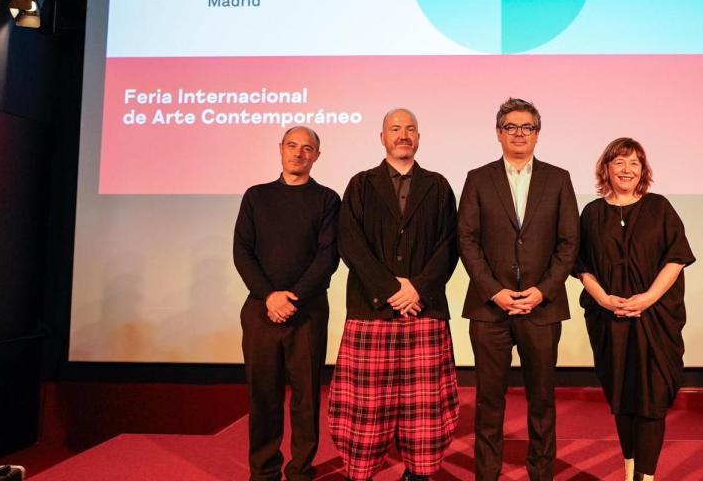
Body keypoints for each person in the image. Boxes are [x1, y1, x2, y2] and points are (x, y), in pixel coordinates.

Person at [328, 109, 460, 481]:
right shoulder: (361, 184)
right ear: (382, 136)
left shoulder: (437, 185)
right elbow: (350, 243)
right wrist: (391, 289)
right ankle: (362, 473)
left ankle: (418, 474)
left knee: (425, 408)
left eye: (411, 129)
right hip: (371, 312)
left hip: (425, 309)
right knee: (365, 408)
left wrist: (416, 288)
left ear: (419, 137)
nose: (404, 135)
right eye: (395, 128)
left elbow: (450, 246)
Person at [458, 98, 580, 480]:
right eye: (511, 127)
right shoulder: (478, 178)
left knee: (541, 400)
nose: (519, 134)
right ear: (498, 133)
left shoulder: (558, 178)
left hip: (541, 308)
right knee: (489, 401)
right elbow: (467, 239)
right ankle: (487, 474)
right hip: (489, 308)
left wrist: (542, 290)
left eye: (527, 127)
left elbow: (569, 243)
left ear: (537, 134)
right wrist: (494, 290)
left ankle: (541, 474)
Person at [574, 138, 695, 481]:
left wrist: (647, 298)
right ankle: (630, 471)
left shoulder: (660, 208)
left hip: (654, 319)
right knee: (622, 397)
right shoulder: (592, 214)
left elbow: (676, 259)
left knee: (653, 398)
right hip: (608, 320)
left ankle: (647, 476)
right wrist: (602, 298)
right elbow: (582, 265)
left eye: (634, 164)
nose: (627, 170)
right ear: (606, 169)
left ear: (643, 171)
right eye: (619, 163)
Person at [233, 126, 341, 481]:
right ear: (281, 149)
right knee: (263, 396)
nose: (298, 153)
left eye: (307, 148)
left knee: (306, 398)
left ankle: (301, 471)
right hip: (261, 310)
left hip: (307, 312)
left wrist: (292, 297)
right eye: (292, 146)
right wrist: (270, 296)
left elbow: (328, 256)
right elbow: (242, 251)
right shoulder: (256, 196)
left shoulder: (327, 199)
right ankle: (263, 472)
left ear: (317, 156)